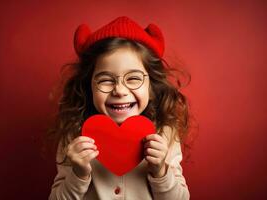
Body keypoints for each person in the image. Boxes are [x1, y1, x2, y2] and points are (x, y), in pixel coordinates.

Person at [48, 16, 191, 200]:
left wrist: (161, 172)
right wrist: (79, 174)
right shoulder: (74, 136)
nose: (120, 90)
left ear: (151, 86)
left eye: (133, 78)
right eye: (106, 80)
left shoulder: (165, 134)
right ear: (88, 86)